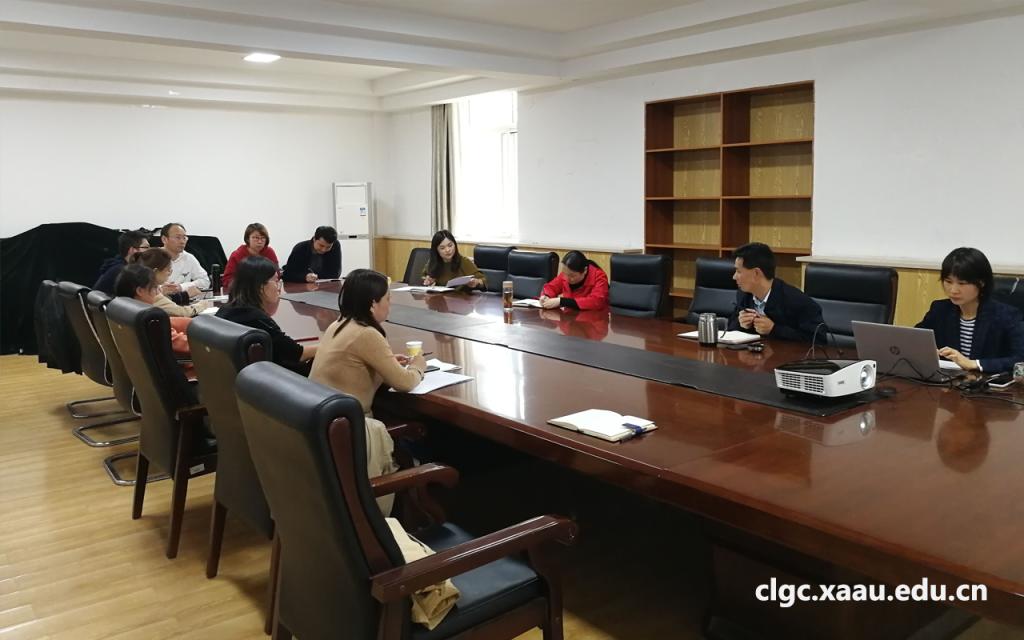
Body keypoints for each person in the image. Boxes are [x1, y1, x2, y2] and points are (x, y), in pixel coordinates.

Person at [310, 269, 426, 514]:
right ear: (373, 304)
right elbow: (405, 382)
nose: (390, 304)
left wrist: (386, 363)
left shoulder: (339, 324)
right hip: (350, 428)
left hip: (322, 422)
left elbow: (354, 366)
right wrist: (419, 366)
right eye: (387, 299)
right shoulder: (367, 333)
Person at [916, 247, 1024, 373]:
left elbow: (1020, 359)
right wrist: (926, 350)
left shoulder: (1006, 315)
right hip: (947, 380)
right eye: (948, 281)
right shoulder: (940, 310)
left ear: (981, 282)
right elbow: (915, 338)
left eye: (962, 283)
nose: (953, 290)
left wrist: (974, 364)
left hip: (986, 382)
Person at [216, 256, 317, 375]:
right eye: (276, 281)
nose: (278, 288)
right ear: (260, 286)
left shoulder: (224, 310)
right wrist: (329, 346)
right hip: (277, 381)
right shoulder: (256, 319)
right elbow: (297, 355)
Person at [727, 242, 824, 341]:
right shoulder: (744, 294)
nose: (734, 277)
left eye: (738, 271)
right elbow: (730, 330)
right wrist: (740, 324)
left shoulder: (797, 302)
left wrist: (774, 329)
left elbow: (818, 341)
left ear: (756, 273)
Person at [113, 263, 192, 361]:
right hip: (185, 367)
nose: (157, 292)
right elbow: (184, 345)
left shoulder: (121, 311)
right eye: (154, 287)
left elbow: (170, 322)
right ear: (140, 291)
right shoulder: (149, 320)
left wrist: (195, 324)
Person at [132, 248, 212, 317]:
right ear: (155, 271)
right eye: (168, 270)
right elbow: (183, 312)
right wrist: (202, 304)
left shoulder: (141, 285)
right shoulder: (152, 293)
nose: (170, 273)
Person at [539, 250, 609, 310]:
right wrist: (546, 296)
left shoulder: (599, 276)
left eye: (572, 276)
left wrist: (562, 301)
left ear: (585, 270)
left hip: (593, 317)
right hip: (570, 316)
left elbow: (597, 301)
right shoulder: (566, 274)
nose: (566, 278)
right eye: (564, 273)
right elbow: (551, 287)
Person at [222, 223, 279, 291]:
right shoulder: (237, 255)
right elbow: (227, 279)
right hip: (245, 291)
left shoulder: (269, 252)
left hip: (266, 290)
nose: (260, 241)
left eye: (263, 238)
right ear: (248, 239)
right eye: (256, 238)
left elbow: (276, 274)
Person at [160, 222, 210, 297]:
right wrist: (162, 289)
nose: (182, 241)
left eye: (184, 238)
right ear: (164, 239)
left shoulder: (189, 257)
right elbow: (144, 286)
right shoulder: (152, 257)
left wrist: (182, 287)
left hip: (184, 299)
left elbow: (205, 281)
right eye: (178, 237)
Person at [94, 230, 150, 294]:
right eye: (146, 247)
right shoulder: (123, 272)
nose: (150, 251)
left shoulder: (116, 266)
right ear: (132, 250)